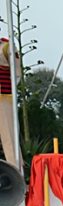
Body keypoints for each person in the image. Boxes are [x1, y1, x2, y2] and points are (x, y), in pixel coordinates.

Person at [0, 31, 21, 169]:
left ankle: (17, 174)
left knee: (10, 140)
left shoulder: (6, 47)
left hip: (3, 99)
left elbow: (17, 74)